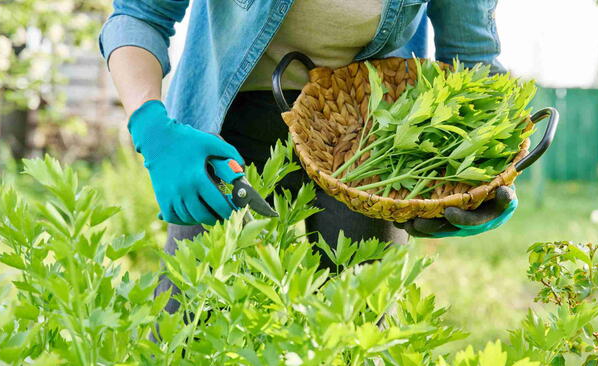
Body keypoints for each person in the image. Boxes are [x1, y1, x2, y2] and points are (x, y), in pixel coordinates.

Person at [100, 0, 517, 313]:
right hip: (229, 118)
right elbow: (140, 13)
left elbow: (471, 58)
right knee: (190, 317)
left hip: (371, 134)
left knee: (355, 326)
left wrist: (489, 174)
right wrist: (152, 127)